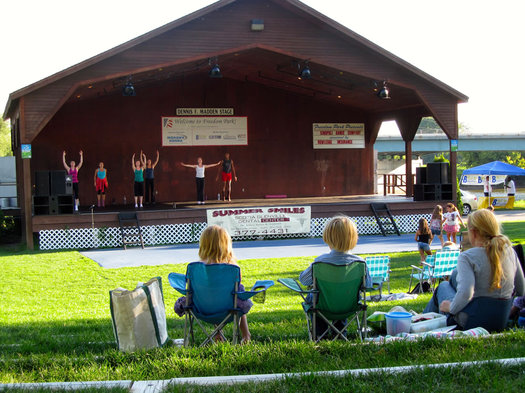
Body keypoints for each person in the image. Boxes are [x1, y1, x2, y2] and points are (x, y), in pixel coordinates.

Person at [423, 209, 525, 329]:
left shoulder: (467, 257)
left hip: (472, 320)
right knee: (455, 276)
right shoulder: (510, 252)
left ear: (474, 232)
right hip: (501, 319)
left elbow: (467, 293)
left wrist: (450, 307)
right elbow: (521, 290)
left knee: (443, 286)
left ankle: (422, 322)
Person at [174, 225, 252, 343]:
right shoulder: (232, 269)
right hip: (228, 311)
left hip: (200, 310)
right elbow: (237, 295)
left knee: (212, 295)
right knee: (237, 299)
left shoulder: (194, 268)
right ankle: (246, 335)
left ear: (203, 244)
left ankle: (218, 334)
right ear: (226, 245)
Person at [299, 216, 371, 338]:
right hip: (348, 307)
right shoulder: (360, 263)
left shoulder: (319, 262)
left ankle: (320, 334)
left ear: (328, 238)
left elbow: (304, 281)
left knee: (315, 297)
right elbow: (368, 286)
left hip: (322, 308)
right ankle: (340, 333)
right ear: (353, 238)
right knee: (344, 296)